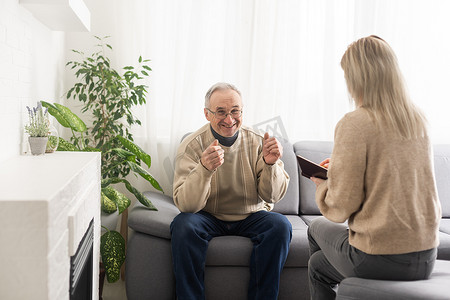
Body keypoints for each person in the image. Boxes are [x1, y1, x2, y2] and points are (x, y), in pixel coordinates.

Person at [307, 35, 441, 299]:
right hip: (426, 257)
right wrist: (344, 167)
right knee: (317, 267)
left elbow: (340, 207)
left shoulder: (355, 122)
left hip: (379, 258)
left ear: (357, 79)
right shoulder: (417, 119)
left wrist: (323, 185)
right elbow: (393, 171)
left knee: (314, 228)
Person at [170, 82, 292, 300]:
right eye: (221, 112)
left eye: (235, 111)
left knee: (281, 225)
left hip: (250, 215)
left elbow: (272, 196)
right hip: (208, 217)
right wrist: (204, 169)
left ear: (242, 111)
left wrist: (270, 164)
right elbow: (186, 206)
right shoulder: (191, 145)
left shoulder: (258, 141)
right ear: (207, 114)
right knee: (182, 225)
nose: (229, 119)